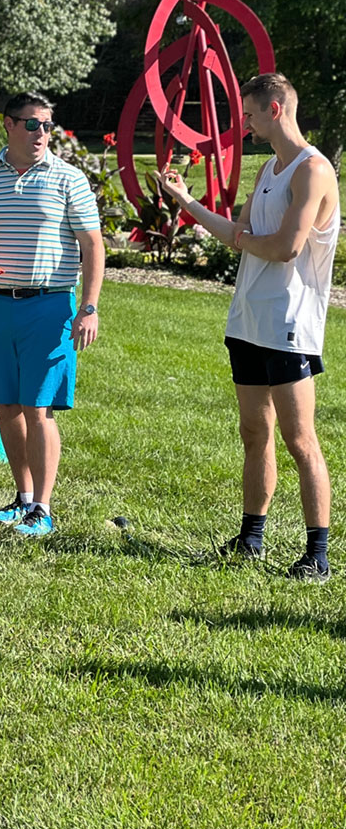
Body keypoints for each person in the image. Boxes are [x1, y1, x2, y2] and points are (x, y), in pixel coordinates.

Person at [156, 72, 341, 578]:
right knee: (254, 431)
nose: (247, 123)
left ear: (274, 110)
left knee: (300, 440)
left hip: (288, 325)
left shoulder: (313, 170)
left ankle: (318, 555)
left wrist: (242, 240)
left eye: (251, 114)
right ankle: (250, 539)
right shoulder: (267, 172)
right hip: (248, 320)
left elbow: (285, 248)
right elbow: (238, 234)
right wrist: (186, 202)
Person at [0, 92, 104, 537]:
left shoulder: (69, 178)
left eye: (47, 126)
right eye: (32, 124)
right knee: (6, 406)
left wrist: (89, 307)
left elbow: (93, 247)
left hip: (51, 306)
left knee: (38, 407)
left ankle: (43, 508)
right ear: (9, 125)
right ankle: (22, 498)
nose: (41, 134)